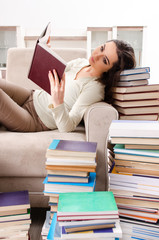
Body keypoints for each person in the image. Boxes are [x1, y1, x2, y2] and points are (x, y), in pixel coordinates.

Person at [0, 39, 136, 133]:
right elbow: (52, 74)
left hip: (34, 119)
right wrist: (46, 54)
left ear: (110, 71)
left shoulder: (94, 89)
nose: (97, 55)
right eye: (101, 48)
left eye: (104, 60)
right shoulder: (81, 62)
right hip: (30, 95)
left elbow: (68, 127)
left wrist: (58, 103)